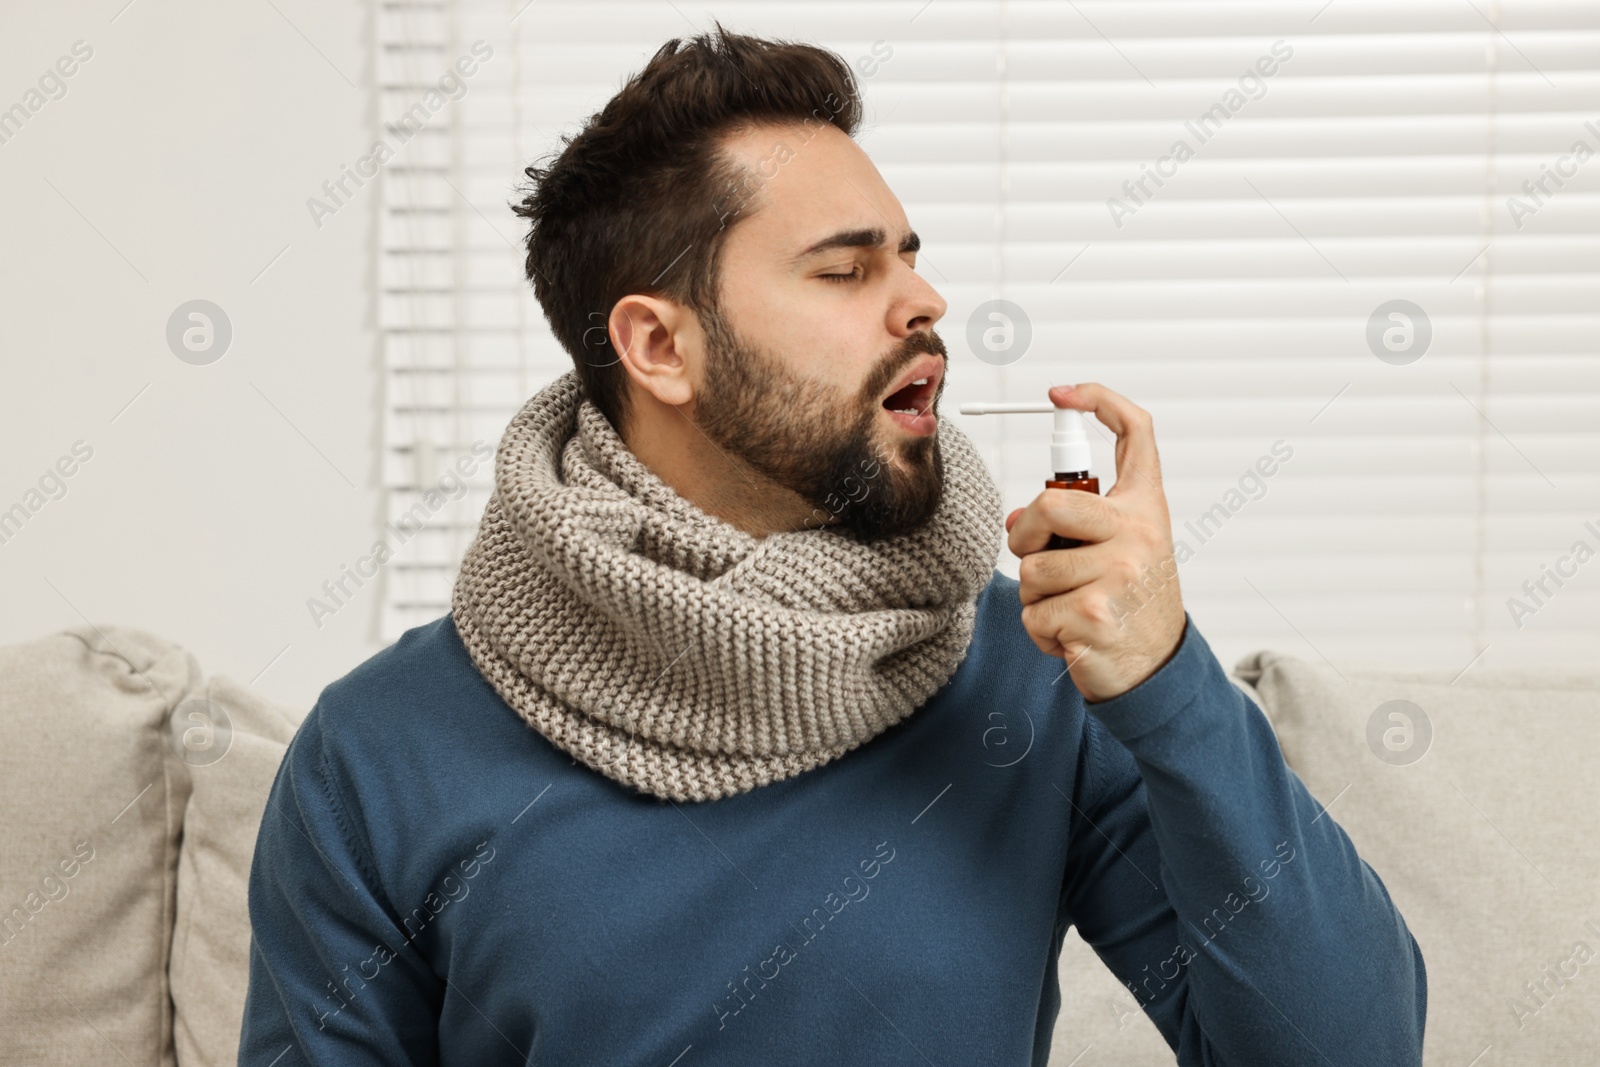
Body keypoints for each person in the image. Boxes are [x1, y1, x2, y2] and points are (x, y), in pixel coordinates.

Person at [239, 24, 1426, 1065]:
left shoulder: (1035, 681)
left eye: (908, 255)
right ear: (660, 347)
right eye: (847, 268)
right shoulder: (376, 757)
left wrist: (1170, 686)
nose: (925, 301)